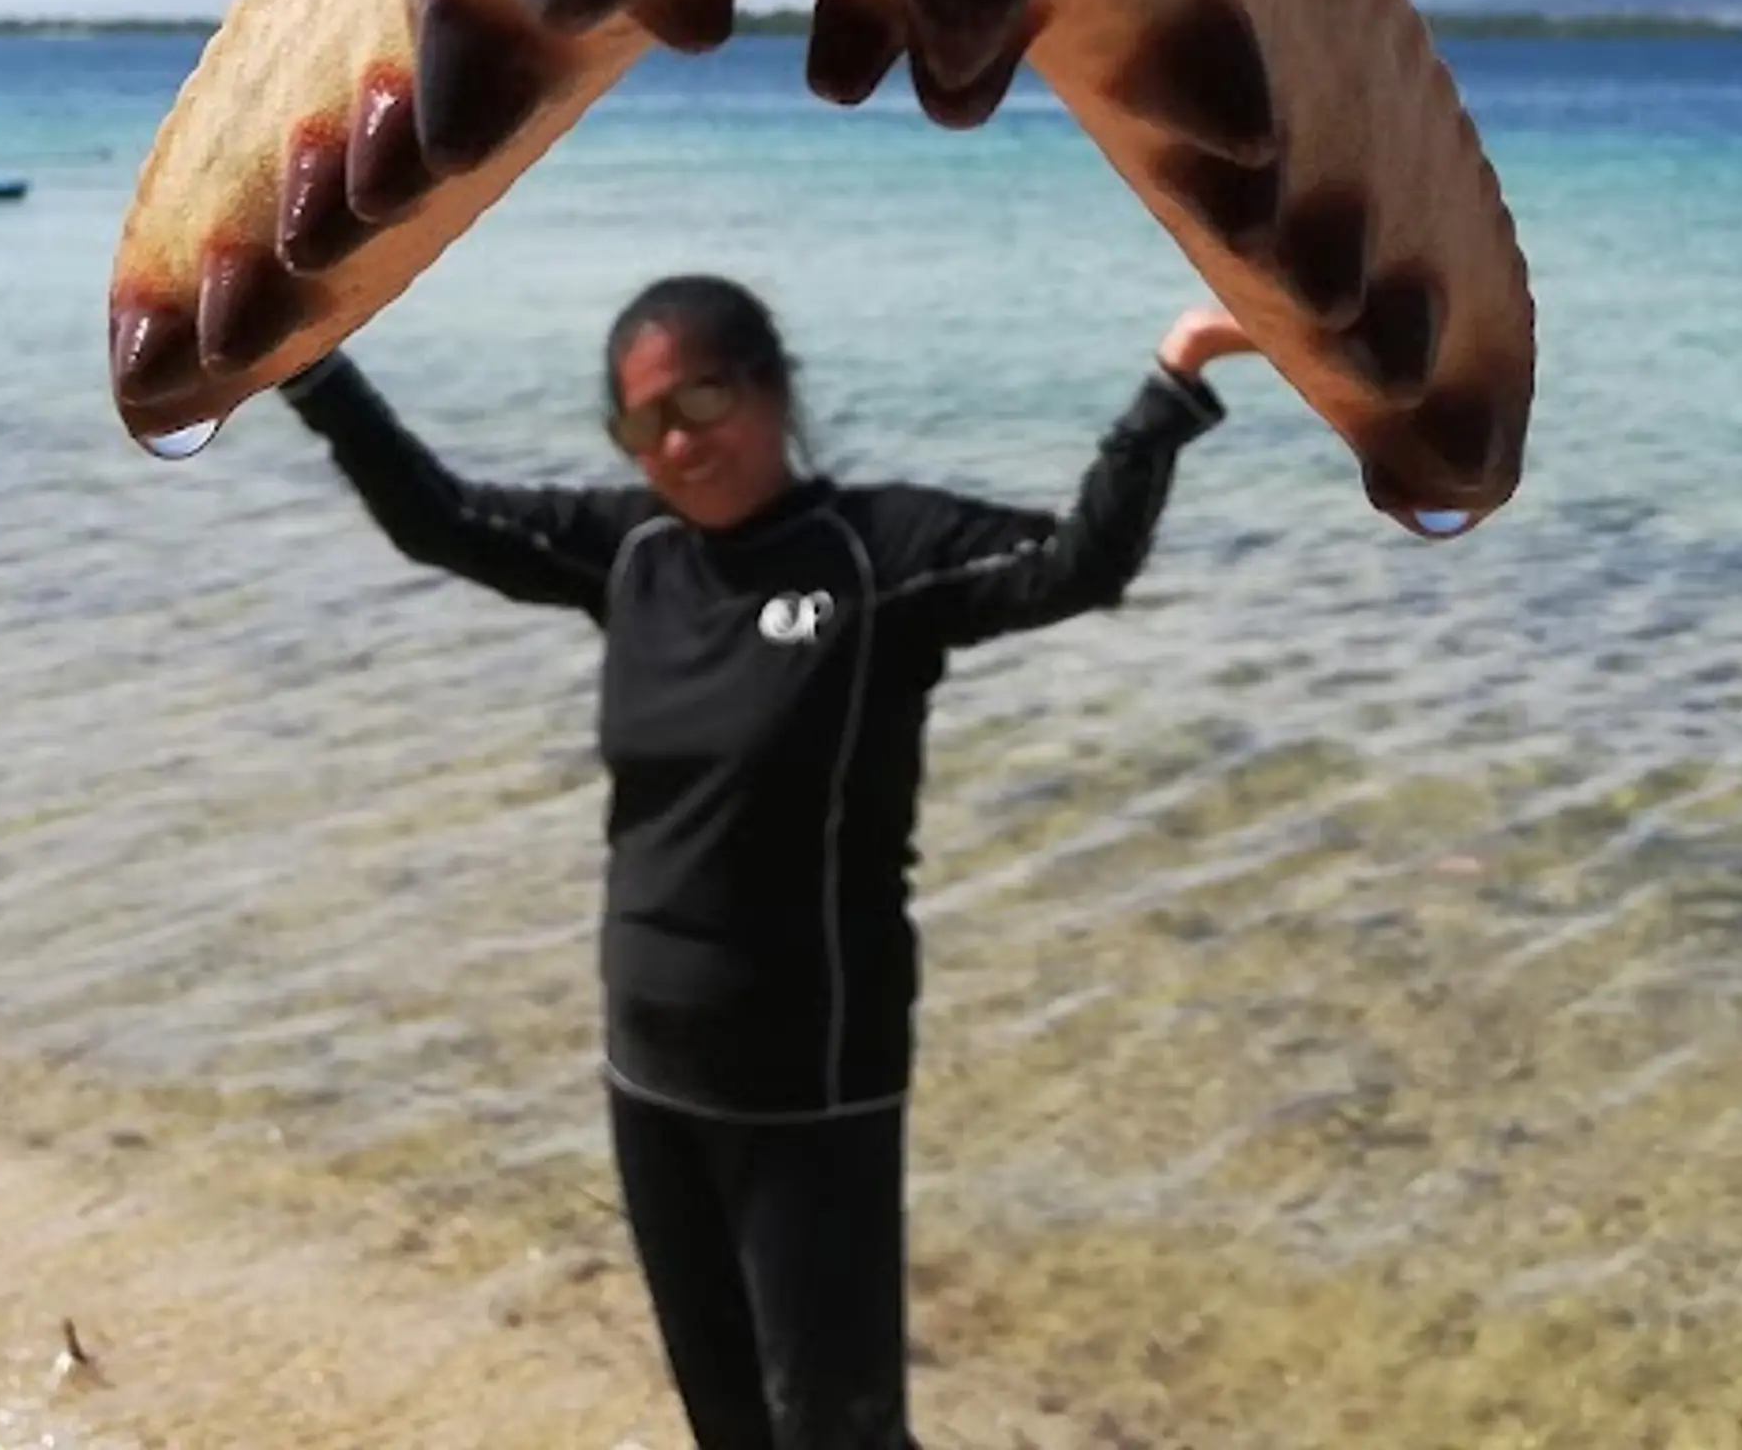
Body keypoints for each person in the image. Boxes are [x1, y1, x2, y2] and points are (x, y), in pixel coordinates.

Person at [277, 275, 1255, 1450]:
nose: (678, 442)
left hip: (813, 1077)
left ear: (772, 389)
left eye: (701, 399)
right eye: (643, 424)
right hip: (648, 1072)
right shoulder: (629, 554)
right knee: (727, 1423)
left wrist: (1173, 382)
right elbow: (437, 516)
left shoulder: (875, 555)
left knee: (837, 1430)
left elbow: (1077, 563)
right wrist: (310, 365)